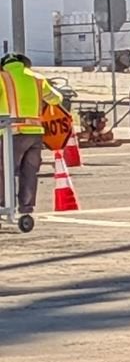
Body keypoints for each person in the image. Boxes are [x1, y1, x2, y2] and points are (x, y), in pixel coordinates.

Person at [1, 51, 63, 232]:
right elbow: (56, 98)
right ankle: (26, 211)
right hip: (35, 133)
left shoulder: (2, 78)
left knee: (4, 172)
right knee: (29, 172)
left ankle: (4, 205)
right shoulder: (37, 78)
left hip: (10, 132)